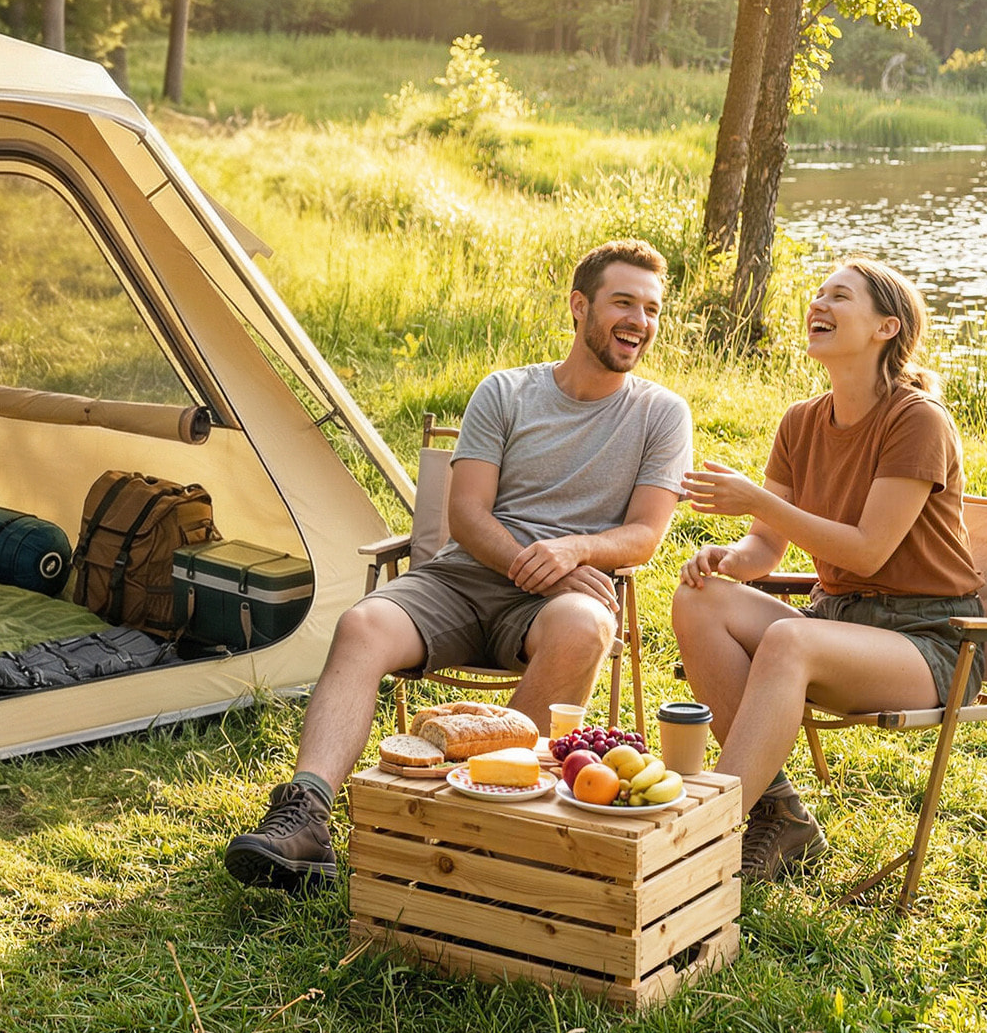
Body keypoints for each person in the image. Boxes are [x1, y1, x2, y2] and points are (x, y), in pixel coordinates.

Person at [224, 239, 693, 893]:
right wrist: (545, 563)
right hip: (465, 578)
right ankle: (304, 814)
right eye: (623, 303)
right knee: (363, 627)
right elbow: (468, 515)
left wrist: (574, 551)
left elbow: (643, 535)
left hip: (557, 603)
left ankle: (478, 829)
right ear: (580, 306)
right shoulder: (506, 392)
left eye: (651, 309)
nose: (639, 321)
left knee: (584, 627)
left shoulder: (661, 414)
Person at [672, 258, 982, 882]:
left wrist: (760, 500)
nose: (819, 302)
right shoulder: (800, 420)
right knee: (697, 598)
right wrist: (728, 558)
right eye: (817, 292)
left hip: (932, 642)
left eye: (840, 295)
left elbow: (867, 551)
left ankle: (699, 835)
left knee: (791, 638)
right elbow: (766, 546)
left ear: (885, 328)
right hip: (838, 621)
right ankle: (777, 812)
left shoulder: (915, 419)